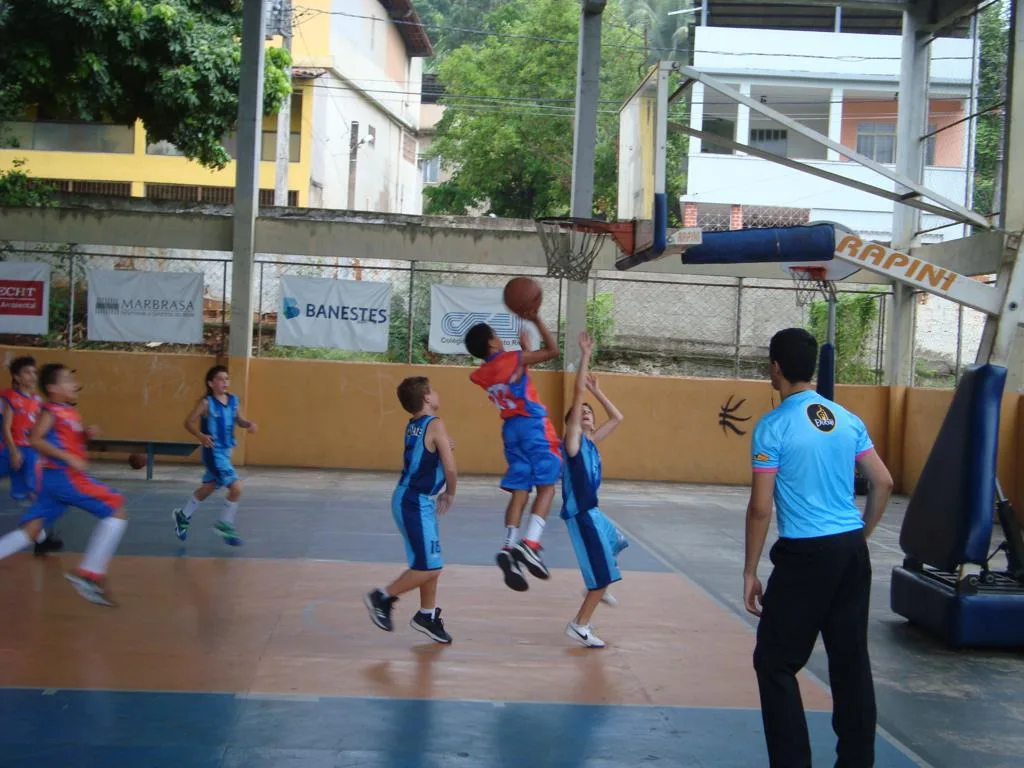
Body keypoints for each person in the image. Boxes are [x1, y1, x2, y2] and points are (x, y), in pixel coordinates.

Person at [744, 328, 894, 768]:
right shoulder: (846, 419)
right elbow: (882, 482)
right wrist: (860, 536)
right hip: (849, 550)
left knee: (774, 662)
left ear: (775, 367)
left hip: (805, 556)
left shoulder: (773, 426)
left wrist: (750, 570)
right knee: (850, 665)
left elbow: (760, 508)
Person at [0, 363, 128, 606]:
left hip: (53, 482)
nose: (73, 385)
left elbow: (69, 440)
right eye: (67, 380)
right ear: (52, 388)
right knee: (117, 509)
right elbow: (35, 439)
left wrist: (85, 435)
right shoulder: (51, 411)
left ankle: (90, 574)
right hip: (65, 477)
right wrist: (68, 457)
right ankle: (90, 574)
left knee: (31, 532)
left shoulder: (69, 412)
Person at [465, 312, 561, 592]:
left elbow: (513, 376)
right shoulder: (512, 359)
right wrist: (537, 319)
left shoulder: (482, 374)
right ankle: (531, 544)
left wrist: (524, 352)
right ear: (492, 344)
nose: (500, 338)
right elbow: (553, 351)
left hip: (511, 431)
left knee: (521, 490)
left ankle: (508, 547)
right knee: (547, 487)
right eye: (496, 334)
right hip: (533, 427)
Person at [365, 376, 457, 644]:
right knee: (429, 566)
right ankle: (382, 597)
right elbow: (450, 468)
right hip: (414, 501)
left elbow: (428, 454)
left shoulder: (415, 425)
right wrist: (450, 492)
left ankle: (426, 615)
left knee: (430, 563)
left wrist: (443, 447)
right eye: (435, 390)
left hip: (415, 501)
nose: (438, 394)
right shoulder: (435, 424)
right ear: (427, 397)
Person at [560, 332, 628, 648]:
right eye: (580, 412)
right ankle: (579, 624)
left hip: (594, 512)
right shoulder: (572, 445)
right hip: (581, 514)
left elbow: (618, 417)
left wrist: (597, 392)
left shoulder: (592, 443)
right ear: (573, 422)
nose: (585, 412)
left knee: (618, 541)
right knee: (601, 577)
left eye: (589, 412)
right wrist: (585, 355)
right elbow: (576, 397)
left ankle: (599, 579)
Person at [173, 365, 257, 546]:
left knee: (208, 488)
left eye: (227, 379)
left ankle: (183, 515)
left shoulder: (234, 401)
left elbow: (240, 420)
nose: (225, 382)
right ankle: (225, 524)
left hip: (226, 452)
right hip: (213, 452)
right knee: (236, 488)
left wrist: (248, 423)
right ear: (211, 383)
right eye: (220, 379)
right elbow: (188, 422)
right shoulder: (206, 403)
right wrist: (201, 436)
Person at [0, 356, 62, 555]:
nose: (32, 375)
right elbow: (6, 427)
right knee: (34, 493)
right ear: (17, 377)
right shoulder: (10, 397)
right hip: (10, 450)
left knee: (35, 492)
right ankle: (40, 539)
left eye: (34, 372)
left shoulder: (37, 400)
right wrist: (13, 451)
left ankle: (40, 539)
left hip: (30, 453)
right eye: (27, 372)